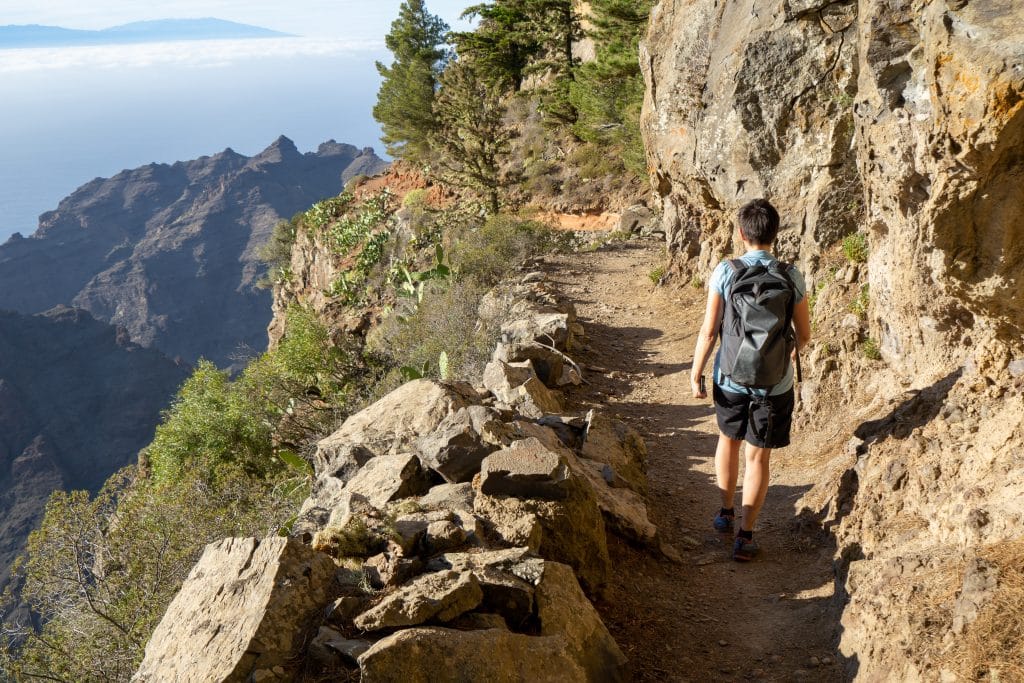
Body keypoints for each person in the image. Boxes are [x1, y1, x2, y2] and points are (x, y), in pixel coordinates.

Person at [689, 198, 812, 561]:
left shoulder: (726, 271)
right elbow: (804, 334)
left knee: (728, 442)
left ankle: (725, 513)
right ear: (775, 234)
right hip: (775, 384)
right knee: (758, 459)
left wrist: (696, 372)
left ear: (741, 233)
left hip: (729, 378)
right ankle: (746, 535)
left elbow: (709, 331)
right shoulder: (791, 275)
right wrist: (785, 356)